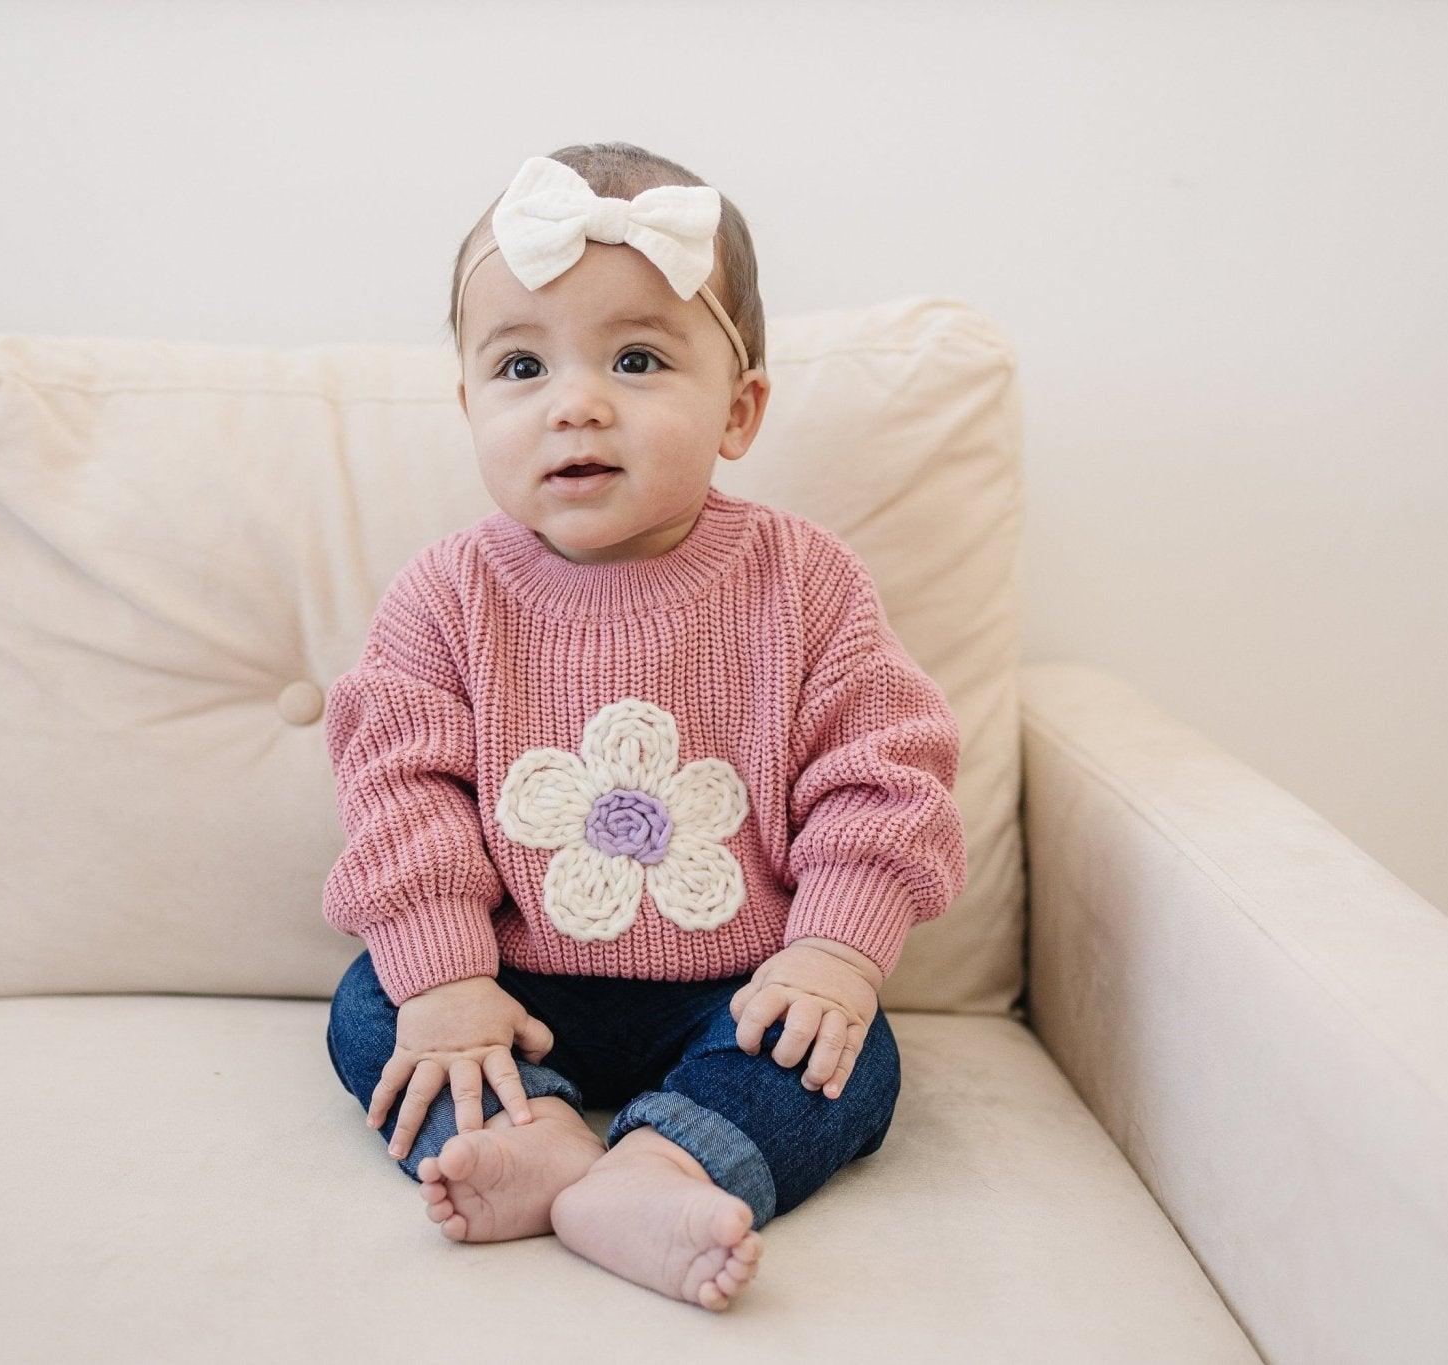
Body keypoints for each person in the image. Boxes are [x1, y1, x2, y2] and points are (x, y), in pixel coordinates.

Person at [322, 142, 968, 1312]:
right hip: (516, 989)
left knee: (849, 1058)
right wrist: (447, 982)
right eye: (520, 365)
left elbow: (882, 776)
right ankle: (544, 1144)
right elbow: (397, 797)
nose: (574, 401)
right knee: (374, 1007)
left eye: (634, 358)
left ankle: (673, 1163)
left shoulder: (803, 581)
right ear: (469, 405)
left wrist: (832, 953)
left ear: (739, 408)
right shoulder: (444, 596)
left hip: (734, 985)